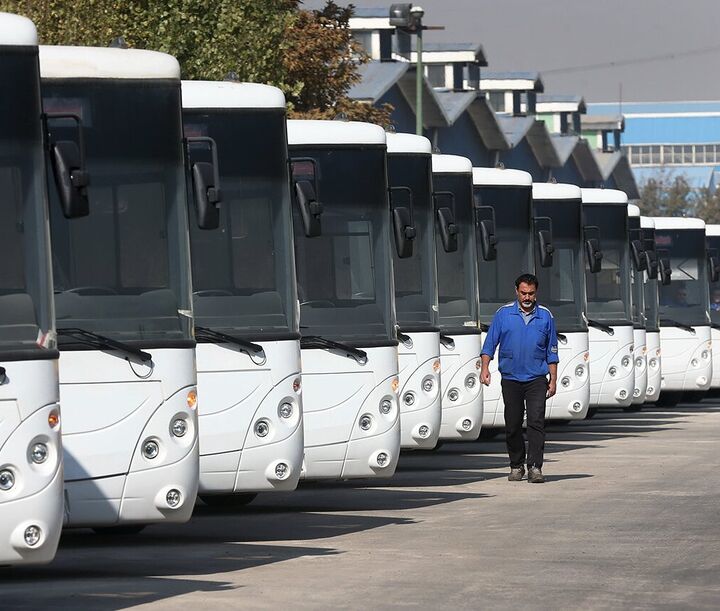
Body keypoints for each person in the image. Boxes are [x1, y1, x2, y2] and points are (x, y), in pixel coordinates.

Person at [480, 273, 558, 483]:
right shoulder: (503, 314)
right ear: (516, 291)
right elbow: (489, 344)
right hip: (511, 378)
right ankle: (516, 465)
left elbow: (552, 350)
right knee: (513, 423)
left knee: (536, 422)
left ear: (536, 293)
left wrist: (553, 379)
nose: (527, 297)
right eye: (523, 293)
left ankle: (535, 467)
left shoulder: (545, 316)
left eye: (531, 294)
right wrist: (484, 368)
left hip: (536, 378)